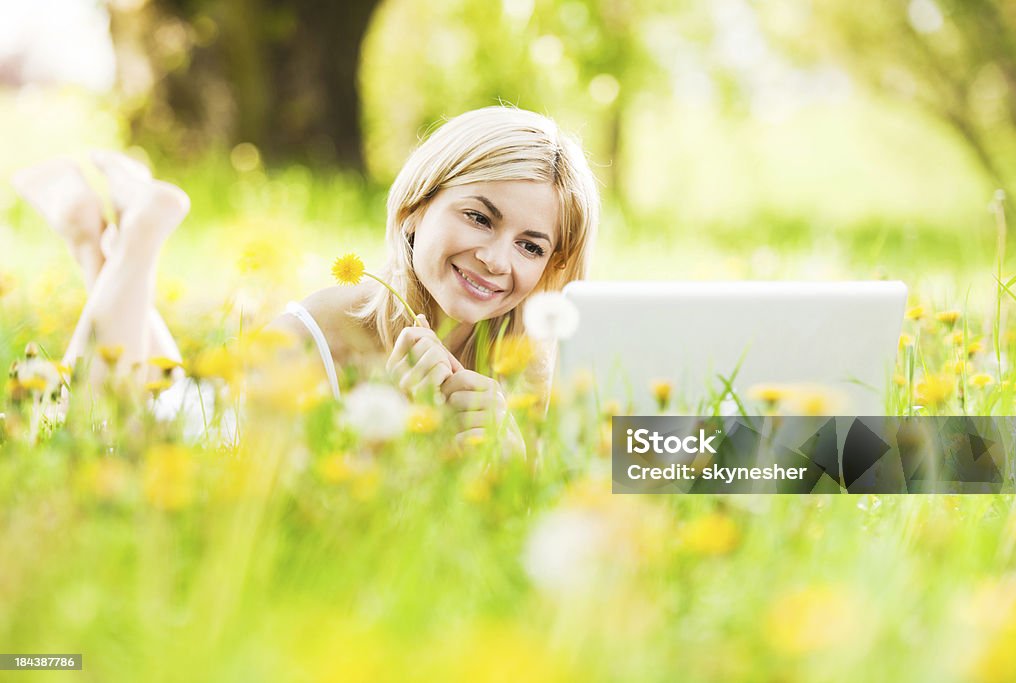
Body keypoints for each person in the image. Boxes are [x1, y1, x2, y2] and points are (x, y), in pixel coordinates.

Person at [13, 106, 600, 454]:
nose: (498, 260)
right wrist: (391, 418)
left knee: (171, 391)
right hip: (217, 441)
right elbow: (271, 501)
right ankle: (141, 236)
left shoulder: (534, 374)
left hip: (200, 403)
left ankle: (91, 238)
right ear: (416, 209)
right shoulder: (320, 328)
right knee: (121, 425)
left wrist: (508, 453)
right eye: (479, 217)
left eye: (531, 245)